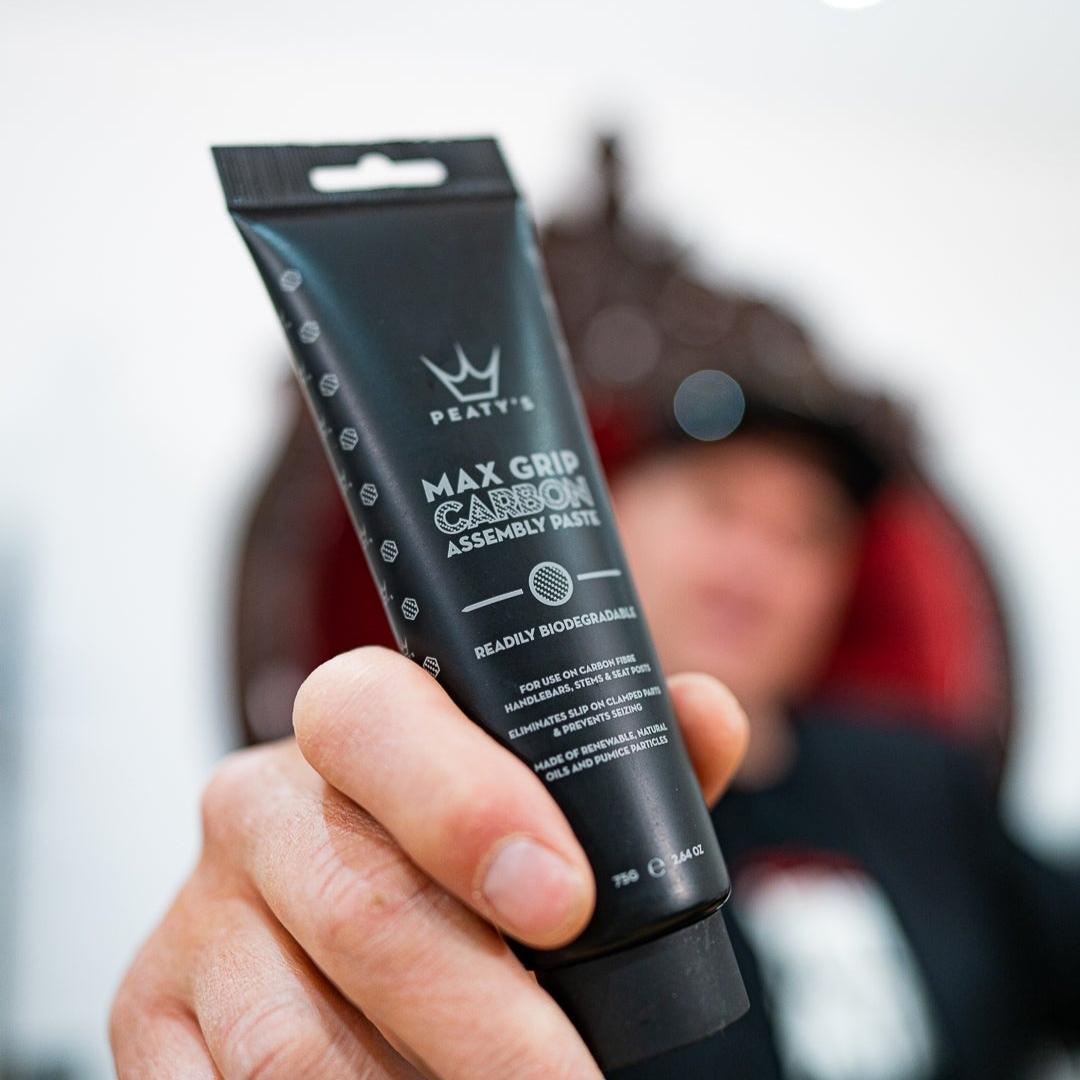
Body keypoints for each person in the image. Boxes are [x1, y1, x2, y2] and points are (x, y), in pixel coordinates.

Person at [110, 140, 1080, 1078]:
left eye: (806, 535)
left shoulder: (923, 778)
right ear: (603, 521)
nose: (756, 564)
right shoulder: (494, 809)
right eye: (721, 508)